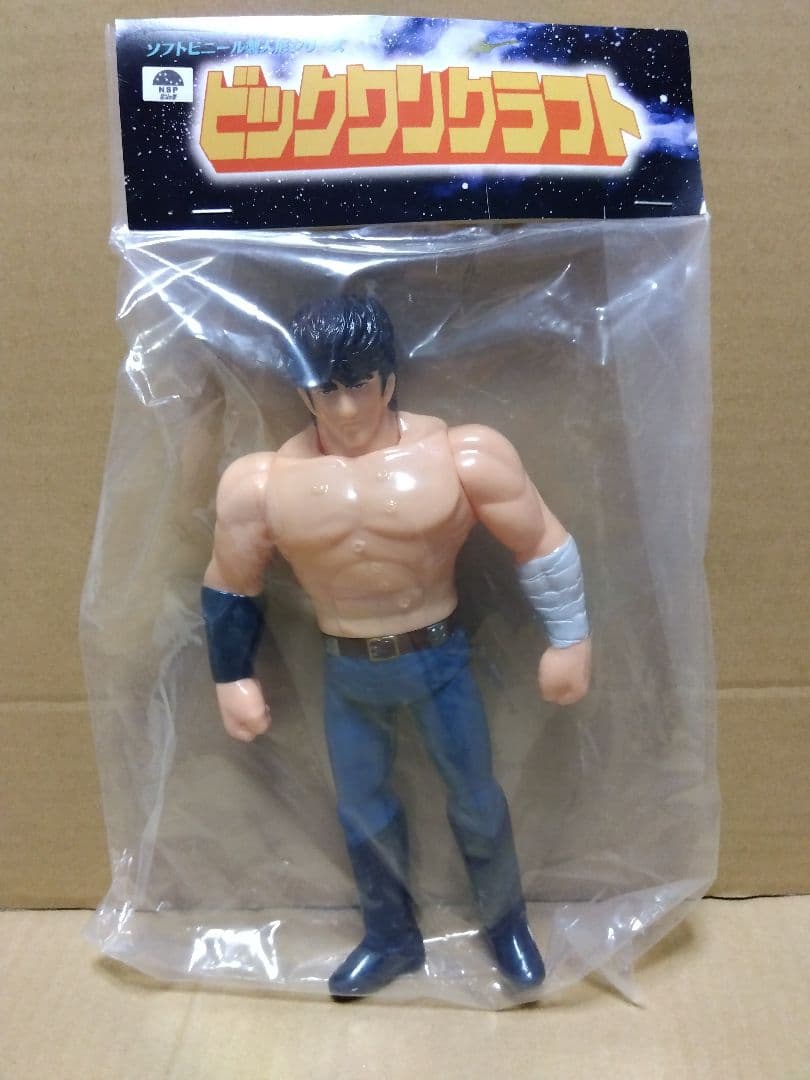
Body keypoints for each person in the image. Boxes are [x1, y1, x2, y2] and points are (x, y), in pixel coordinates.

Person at [202, 295, 591, 999]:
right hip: (348, 670)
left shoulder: (460, 456)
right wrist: (232, 675)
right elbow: (231, 582)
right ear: (303, 392)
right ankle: (389, 937)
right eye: (327, 388)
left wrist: (570, 638)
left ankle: (505, 925)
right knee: (362, 809)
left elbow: (541, 541)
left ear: (388, 380)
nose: (347, 408)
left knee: (476, 800)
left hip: (439, 659)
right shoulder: (260, 484)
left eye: (360, 384)